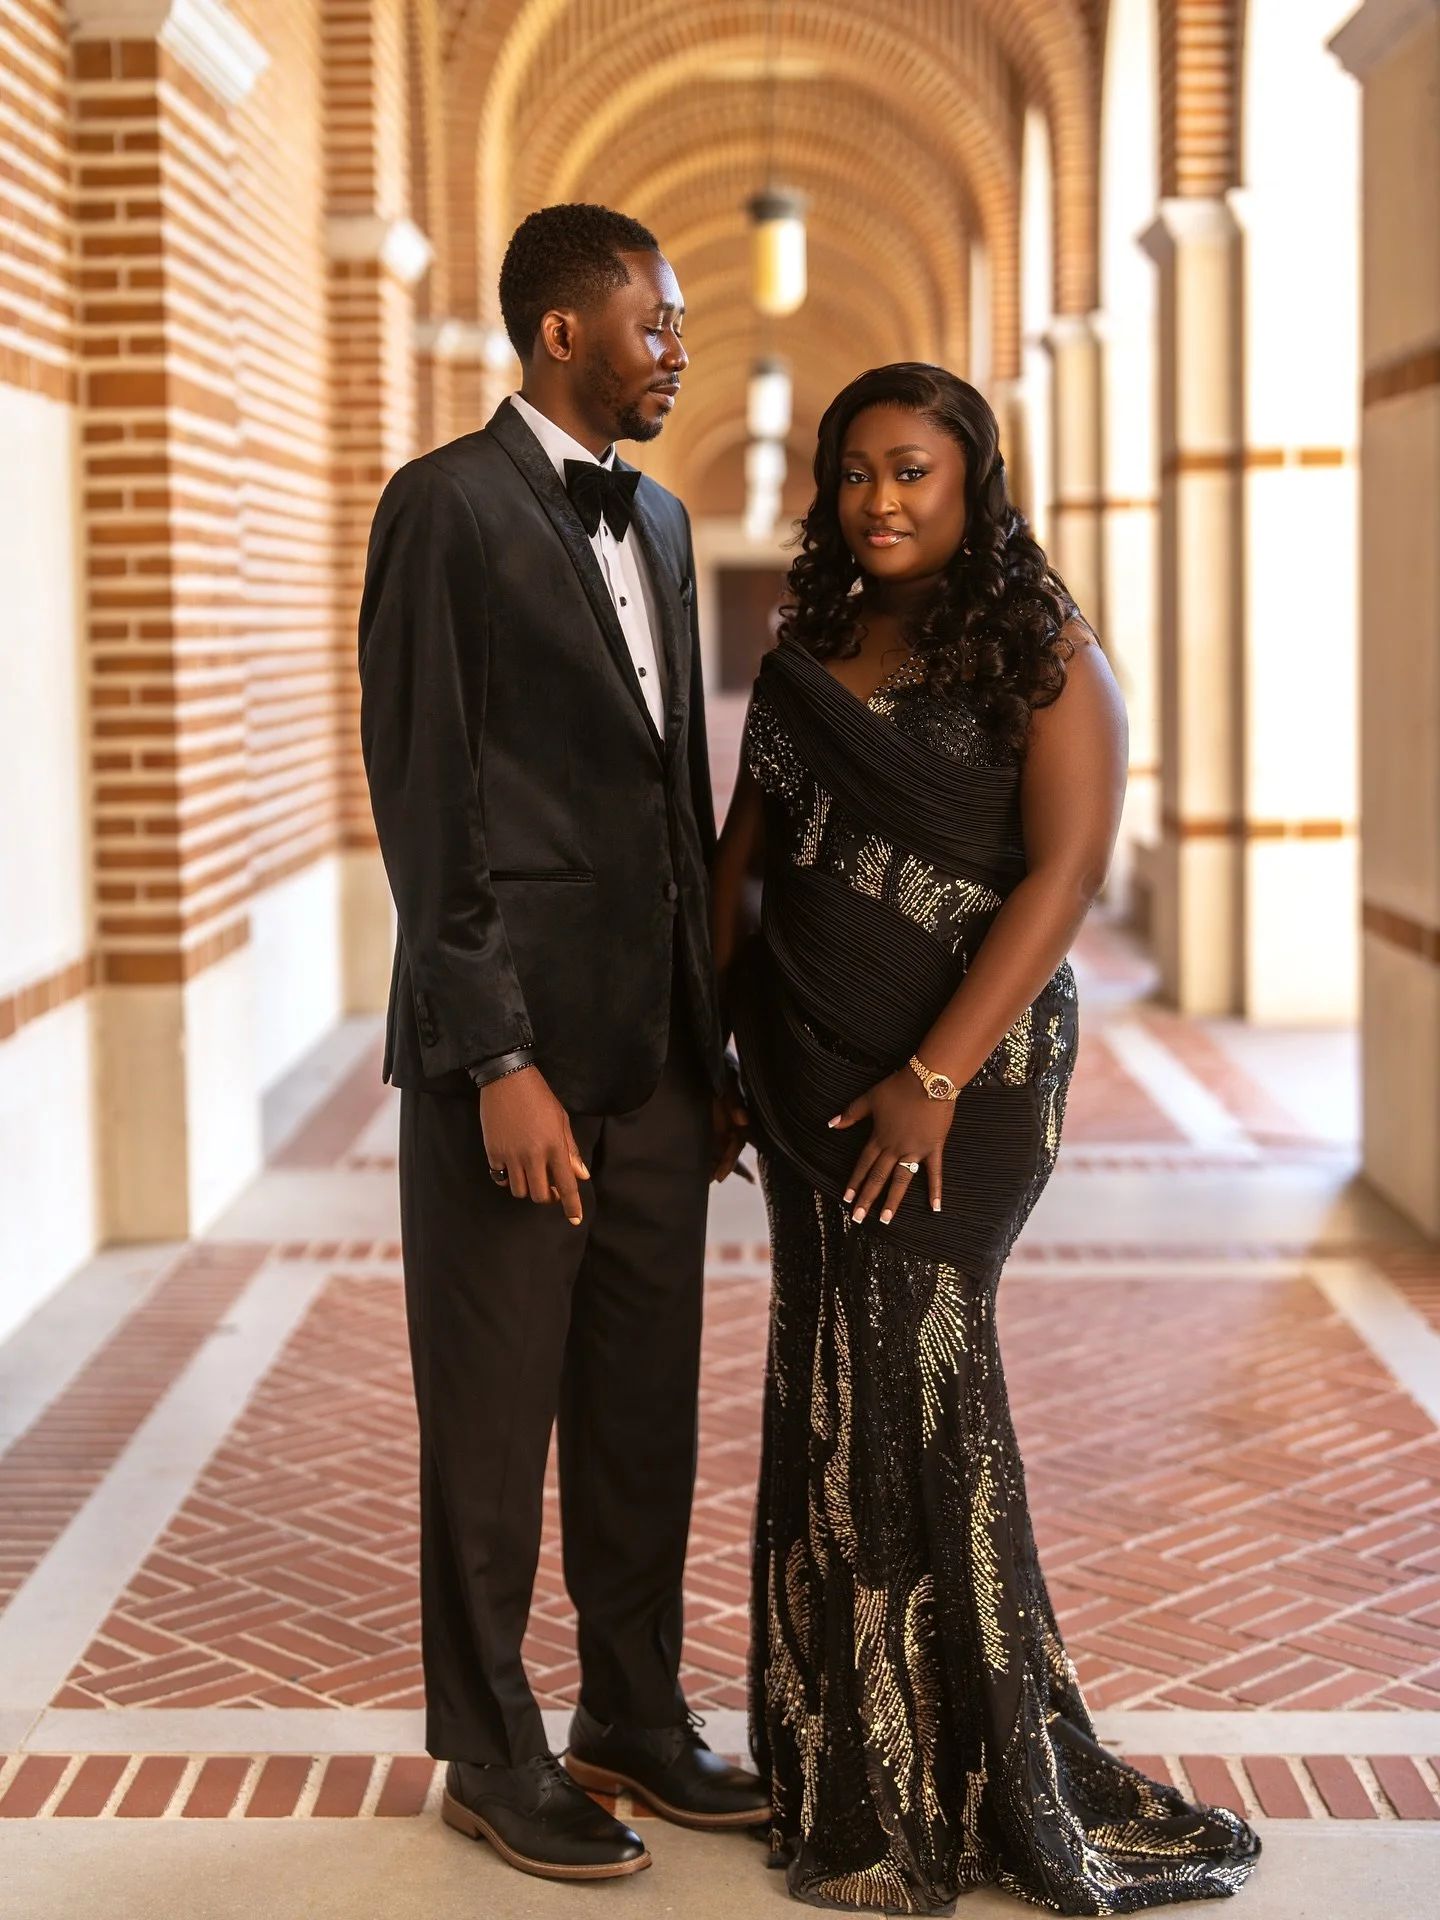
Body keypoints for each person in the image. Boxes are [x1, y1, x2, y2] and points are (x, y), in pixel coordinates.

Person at [712, 363, 1260, 1913]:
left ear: (970, 484)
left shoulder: (1044, 649)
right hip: (811, 1077)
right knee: (832, 1377)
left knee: (922, 1377)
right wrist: (715, 1049)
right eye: (855, 476)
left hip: (968, 1085)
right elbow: (741, 860)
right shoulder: (811, 644)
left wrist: (934, 1078)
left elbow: (1068, 874)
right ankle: (852, 1757)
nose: (880, 502)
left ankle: (962, 1769)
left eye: (912, 473)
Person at [358, 202, 767, 1885]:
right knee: (493, 1417)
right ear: (560, 336)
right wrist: (495, 1057)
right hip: (510, 1064)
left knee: (637, 1412)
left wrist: (711, 1044)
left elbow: (679, 808)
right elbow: (427, 803)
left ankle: (633, 1714)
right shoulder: (443, 510)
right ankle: (488, 1747)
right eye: (654, 322)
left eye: (675, 323)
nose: (678, 346)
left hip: (659, 1059)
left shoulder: (664, 524)